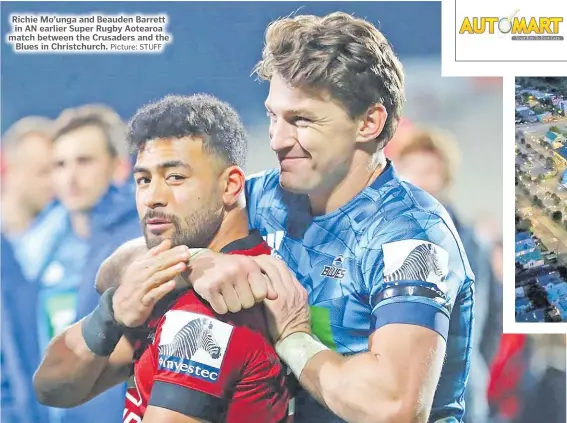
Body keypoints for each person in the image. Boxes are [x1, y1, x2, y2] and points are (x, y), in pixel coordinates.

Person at [98, 12, 474, 423]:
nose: (276, 139)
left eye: (301, 120)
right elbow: (112, 273)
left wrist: (295, 339)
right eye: (274, 116)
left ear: (369, 122)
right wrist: (194, 261)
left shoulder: (412, 235)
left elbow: (393, 408)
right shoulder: (263, 197)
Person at [34, 94, 293, 423]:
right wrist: (111, 312)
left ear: (230, 185)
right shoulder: (172, 285)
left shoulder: (209, 311)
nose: (153, 197)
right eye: (144, 180)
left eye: (175, 177)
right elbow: (53, 389)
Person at [33, 106, 141, 423]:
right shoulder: (48, 247)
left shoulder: (137, 241)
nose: (70, 176)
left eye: (85, 161)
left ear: (119, 166)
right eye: (60, 164)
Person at [393, 127, 494, 423]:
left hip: (457, 393)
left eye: (428, 171)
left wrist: (471, 365)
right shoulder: (389, 234)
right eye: (410, 170)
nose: (419, 180)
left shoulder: (469, 241)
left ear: (445, 179)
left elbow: (488, 318)